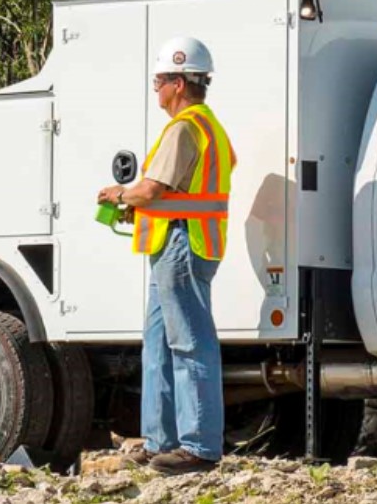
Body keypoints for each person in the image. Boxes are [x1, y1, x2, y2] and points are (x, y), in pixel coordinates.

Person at [96, 36, 237, 476]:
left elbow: (153, 189)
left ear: (179, 82)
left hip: (182, 245)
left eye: (158, 80)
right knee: (158, 345)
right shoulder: (205, 124)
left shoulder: (186, 128)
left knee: (189, 343)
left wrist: (119, 192)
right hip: (172, 244)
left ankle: (198, 448)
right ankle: (160, 440)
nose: (155, 87)